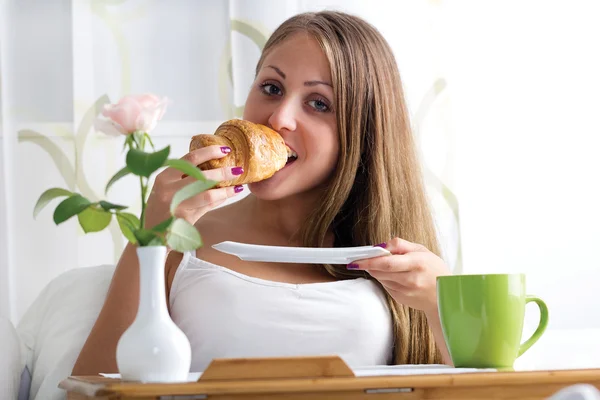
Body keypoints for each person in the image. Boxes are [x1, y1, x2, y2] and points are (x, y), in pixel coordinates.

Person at [72, 10, 452, 375]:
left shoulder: (394, 256)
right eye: (271, 88)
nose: (279, 118)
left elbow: (463, 388)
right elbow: (92, 387)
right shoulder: (181, 234)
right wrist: (152, 237)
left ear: (363, 131)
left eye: (318, 103)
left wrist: (440, 303)